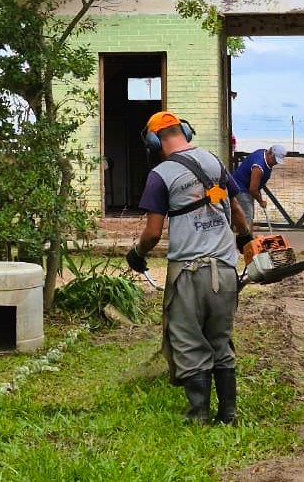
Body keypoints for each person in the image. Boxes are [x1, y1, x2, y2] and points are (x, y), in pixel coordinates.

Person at [125, 111, 251, 425]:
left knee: (188, 340)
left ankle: (199, 416)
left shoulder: (160, 175)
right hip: (225, 270)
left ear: (153, 141)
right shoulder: (213, 162)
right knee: (220, 340)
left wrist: (137, 255)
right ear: (185, 131)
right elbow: (235, 208)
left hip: (188, 273)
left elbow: (153, 232)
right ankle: (229, 414)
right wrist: (246, 239)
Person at [231, 144, 286, 230]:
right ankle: (246, 241)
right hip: (241, 188)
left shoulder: (263, 153)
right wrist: (261, 201)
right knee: (247, 218)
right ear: (270, 153)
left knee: (246, 216)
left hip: (245, 186)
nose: (275, 163)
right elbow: (253, 189)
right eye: (275, 159)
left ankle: (247, 237)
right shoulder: (258, 167)